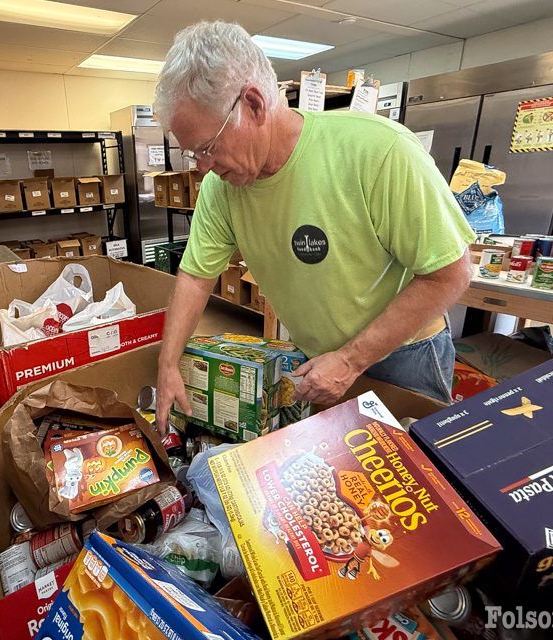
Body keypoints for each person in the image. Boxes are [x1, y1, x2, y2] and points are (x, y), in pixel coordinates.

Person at [152, 21, 476, 433]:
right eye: (192, 154)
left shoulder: (379, 151)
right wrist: (168, 365)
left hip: (404, 355)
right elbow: (197, 277)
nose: (203, 166)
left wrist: (351, 360)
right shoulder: (223, 187)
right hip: (318, 357)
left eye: (208, 146)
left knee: (412, 482)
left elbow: (451, 273)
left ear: (252, 105)